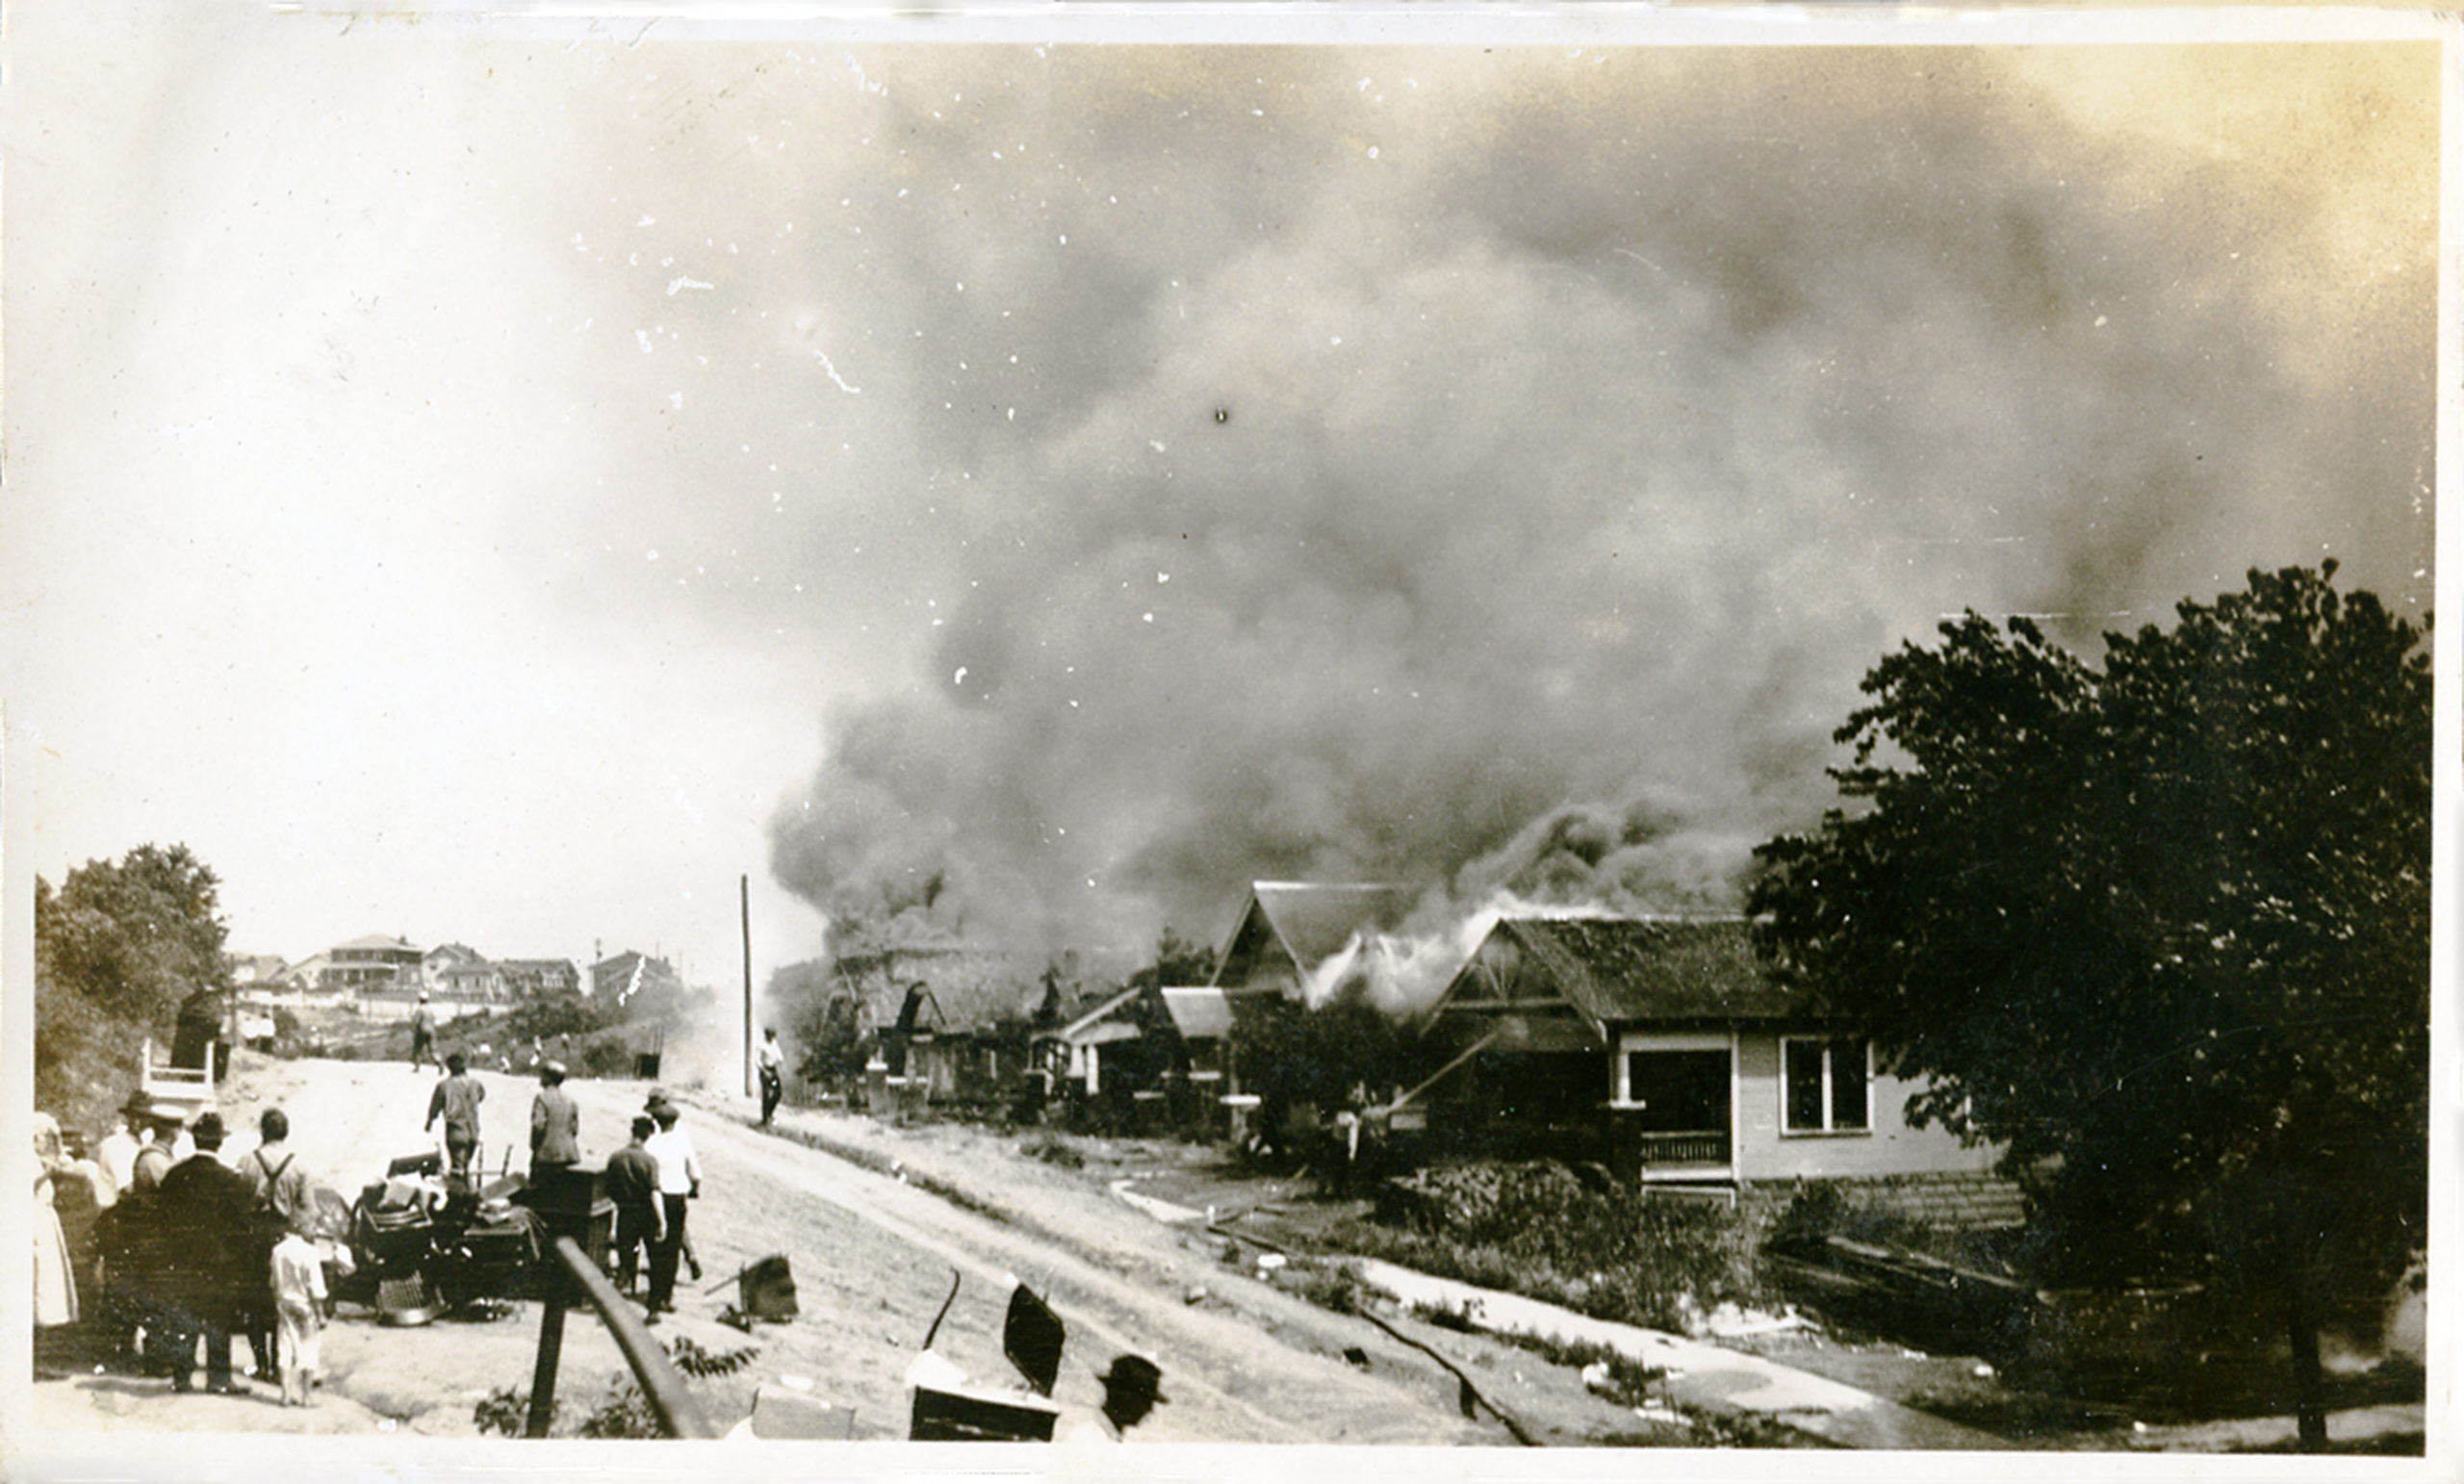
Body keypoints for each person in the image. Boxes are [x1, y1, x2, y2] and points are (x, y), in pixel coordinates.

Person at [154, 1112, 254, 1394]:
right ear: (219, 1144)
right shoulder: (230, 1180)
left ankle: (182, 1377)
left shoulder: (175, 1176)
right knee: (218, 1319)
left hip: (182, 1260)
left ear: (195, 1139)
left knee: (184, 1316)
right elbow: (241, 1229)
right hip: (218, 1264)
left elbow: (162, 1222)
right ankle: (218, 1378)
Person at [240, 1109, 310, 1379]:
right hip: (285, 1234)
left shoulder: (247, 1160)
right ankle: (281, 1362)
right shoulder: (299, 1165)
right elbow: (307, 1209)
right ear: (286, 1132)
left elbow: (239, 1200)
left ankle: (261, 1363)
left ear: (263, 1131)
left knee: (254, 1299)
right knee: (284, 1297)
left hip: (255, 1235)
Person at [641, 1099, 702, 1318]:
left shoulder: (650, 1144)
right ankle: (666, 1296)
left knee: (656, 1249)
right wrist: (694, 1188)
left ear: (656, 1121)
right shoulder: (682, 1143)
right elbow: (696, 1174)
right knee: (673, 1248)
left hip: (656, 1198)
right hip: (677, 1199)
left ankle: (654, 1300)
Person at [602, 1115, 665, 1300]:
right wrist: (661, 1220)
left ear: (632, 1132)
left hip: (625, 1212)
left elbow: (608, 1188)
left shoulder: (616, 1157)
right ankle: (654, 1303)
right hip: (646, 1214)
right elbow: (655, 1192)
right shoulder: (649, 1161)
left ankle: (624, 1290)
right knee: (654, 1257)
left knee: (626, 1255)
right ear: (647, 1136)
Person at [269, 1217, 328, 1407]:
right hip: (305, 1305)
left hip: (285, 1303)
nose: (315, 1230)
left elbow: (273, 1282)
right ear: (300, 1227)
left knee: (285, 1347)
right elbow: (315, 1286)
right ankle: (306, 1397)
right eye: (312, 1226)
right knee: (308, 1349)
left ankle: (285, 1394)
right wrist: (321, 1313)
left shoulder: (277, 1251)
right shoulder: (309, 1252)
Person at [32, 1113, 81, 1331]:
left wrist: (58, 1144)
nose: (45, 1143)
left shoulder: (37, 1159)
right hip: (34, 1220)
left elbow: (64, 1160)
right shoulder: (28, 1159)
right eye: (44, 1137)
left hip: (43, 1220)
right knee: (39, 1273)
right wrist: (47, 1174)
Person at [1056, 1353, 1168, 1443]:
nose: (1150, 1409)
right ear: (1126, 1398)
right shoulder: (1092, 1438)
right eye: (1145, 1401)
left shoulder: (1104, 1436)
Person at [424, 1051, 485, 1190]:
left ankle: (462, 1201)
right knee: (465, 1166)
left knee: (458, 1170)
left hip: (456, 1132)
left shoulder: (444, 1086)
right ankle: (469, 1194)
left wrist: (429, 1122)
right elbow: (481, 1096)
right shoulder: (475, 1083)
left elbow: (435, 1106)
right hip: (473, 1132)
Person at [529, 1062, 580, 1174]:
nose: (540, 1078)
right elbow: (574, 1129)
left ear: (549, 1078)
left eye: (542, 1075)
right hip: (569, 1155)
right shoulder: (570, 1100)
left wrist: (535, 1147)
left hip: (547, 1157)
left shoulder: (542, 1098)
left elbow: (538, 1126)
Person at [98, 1105, 142, 1198]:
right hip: (113, 1205)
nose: (138, 1121)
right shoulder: (115, 1144)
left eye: (143, 1117)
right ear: (128, 1117)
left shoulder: (143, 1142)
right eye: (134, 1116)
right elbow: (126, 1189)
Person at [757, 1028, 786, 1126]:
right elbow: (757, 1060)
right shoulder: (761, 1045)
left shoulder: (774, 1044)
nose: (771, 1038)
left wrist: (782, 1068)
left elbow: (779, 1057)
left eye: (772, 1036)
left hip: (773, 1070)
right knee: (766, 1094)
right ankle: (764, 1119)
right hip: (764, 1071)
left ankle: (769, 1113)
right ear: (766, 1036)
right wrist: (764, 1071)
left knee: (778, 1093)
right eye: (769, 1036)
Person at [409, 992, 438, 1071]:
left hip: (422, 1030)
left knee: (418, 1048)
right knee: (433, 1049)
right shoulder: (431, 1009)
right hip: (431, 1030)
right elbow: (434, 1020)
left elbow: (416, 1021)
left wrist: (413, 1030)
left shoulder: (420, 1009)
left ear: (420, 1000)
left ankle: (417, 1067)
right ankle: (439, 1063)